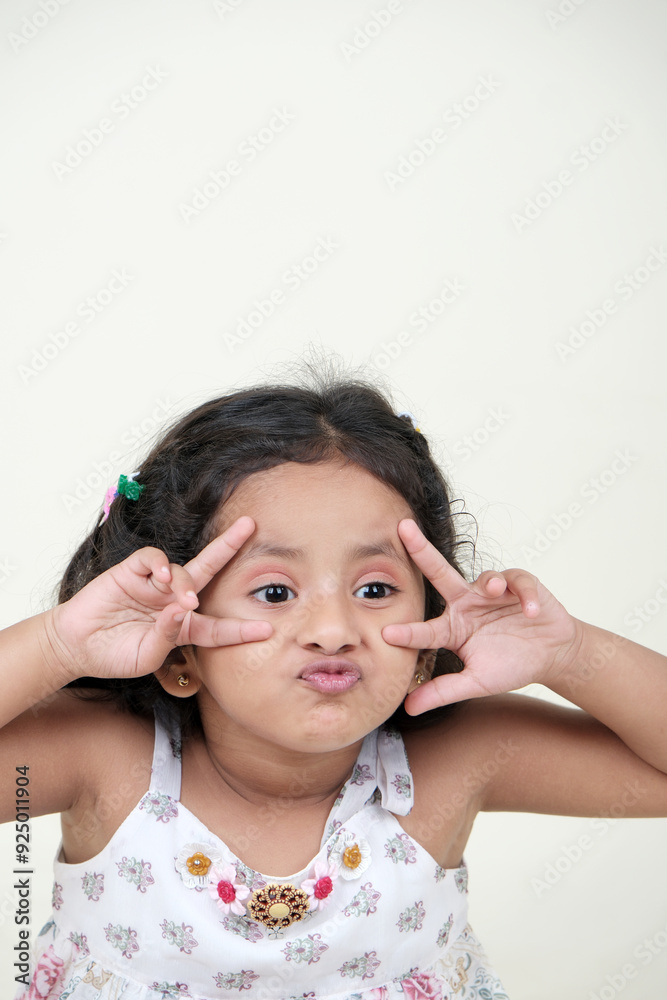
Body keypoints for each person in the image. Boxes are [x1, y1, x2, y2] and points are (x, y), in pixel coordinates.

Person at [2, 373, 666, 1000]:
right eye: (274, 592)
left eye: (374, 589)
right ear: (180, 647)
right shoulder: (106, 762)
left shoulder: (454, 759)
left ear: (429, 628)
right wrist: (58, 644)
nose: (332, 630)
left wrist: (568, 654)